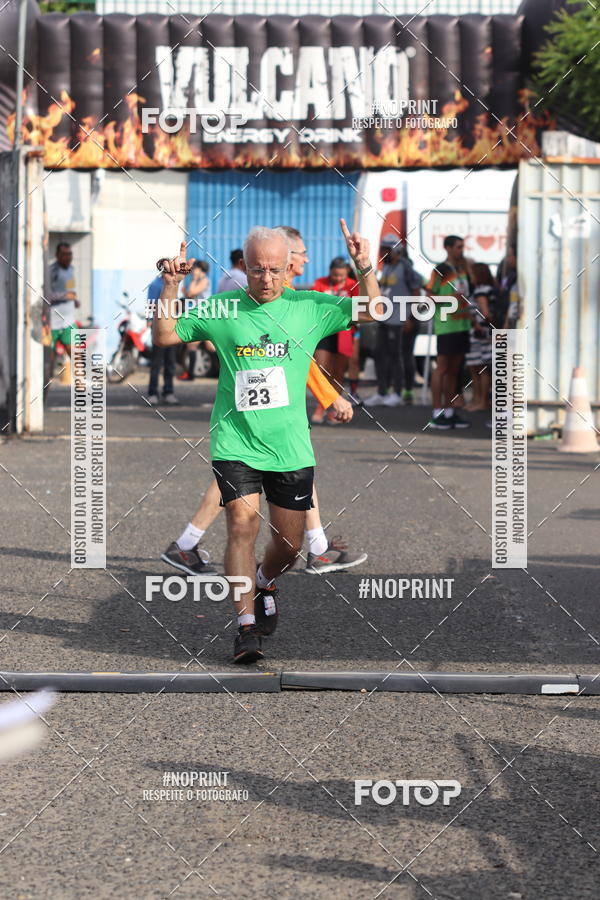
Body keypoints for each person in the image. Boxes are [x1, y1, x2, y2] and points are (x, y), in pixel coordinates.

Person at [154, 221, 381, 663]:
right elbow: (165, 336)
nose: (268, 279)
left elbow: (374, 310)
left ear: (289, 268)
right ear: (244, 265)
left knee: (290, 547)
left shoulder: (309, 306)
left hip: (290, 447)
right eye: (258, 270)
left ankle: (265, 580)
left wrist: (364, 266)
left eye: (276, 270)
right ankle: (245, 626)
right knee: (241, 524)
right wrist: (169, 287)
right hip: (235, 441)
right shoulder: (223, 309)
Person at [363, 233, 422, 408]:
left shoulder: (405, 267)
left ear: (395, 250)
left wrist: (411, 316)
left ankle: (399, 392)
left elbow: (416, 290)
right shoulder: (387, 267)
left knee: (399, 357)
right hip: (385, 319)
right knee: (381, 355)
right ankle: (382, 392)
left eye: (385, 250)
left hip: (400, 321)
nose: (382, 253)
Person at [425, 235, 472, 430]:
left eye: (463, 246)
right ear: (448, 248)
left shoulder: (462, 268)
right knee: (442, 368)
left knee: (455, 369)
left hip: (463, 324)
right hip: (446, 325)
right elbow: (429, 296)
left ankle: (450, 411)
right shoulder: (441, 269)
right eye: (459, 247)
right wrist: (450, 298)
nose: (462, 250)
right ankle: (437, 412)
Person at [311, 257, 360, 424]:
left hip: (344, 333)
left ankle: (335, 408)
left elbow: (359, 308)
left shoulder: (353, 284)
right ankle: (321, 406)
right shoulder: (320, 283)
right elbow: (312, 304)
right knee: (321, 369)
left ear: (347, 273)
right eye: (334, 275)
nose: (337, 278)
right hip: (323, 332)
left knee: (338, 372)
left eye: (341, 276)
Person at [465, 263, 497, 411]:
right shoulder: (487, 289)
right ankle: (479, 400)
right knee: (478, 369)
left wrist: (475, 322)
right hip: (481, 333)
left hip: (481, 334)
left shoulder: (481, 291)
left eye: (472, 274)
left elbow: (485, 314)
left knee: (481, 369)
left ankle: (482, 401)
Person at [146, 272, 179, 406]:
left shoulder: (175, 284)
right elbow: (151, 303)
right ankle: (153, 393)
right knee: (156, 362)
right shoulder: (155, 285)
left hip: (172, 327)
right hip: (159, 327)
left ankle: (168, 392)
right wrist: (149, 320)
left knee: (170, 362)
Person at [178, 260, 210, 381]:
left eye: (195, 269)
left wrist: (193, 279)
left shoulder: (204, 280)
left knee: (200, 346)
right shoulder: (199, 281)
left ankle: (190, 374)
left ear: (200, 269)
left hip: (204, 316)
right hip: (197, 316)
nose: (192, 271)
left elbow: (191, 292)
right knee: (192, 346)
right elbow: (189, 294)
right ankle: (190, 373)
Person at [49, 242, 79, 368]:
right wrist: (65, 296)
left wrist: (74, 300)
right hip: (52, 322)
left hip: (68, 321)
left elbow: (69, 290)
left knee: (77, 355)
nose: (67, 257)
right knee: (48, 360)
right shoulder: (51, 271)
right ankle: (44, 384)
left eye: (69, 254)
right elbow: (45, 296)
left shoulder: (71, 270)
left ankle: (81, 384)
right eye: (64, 254)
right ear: (57, 255)